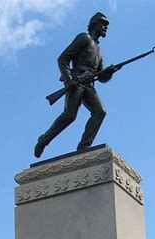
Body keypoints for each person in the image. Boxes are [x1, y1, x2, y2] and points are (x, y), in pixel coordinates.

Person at [34, 12, 116, 159]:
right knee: (69, 115)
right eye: (102, 24)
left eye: (106, 25)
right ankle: (44, 139)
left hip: (89, 85)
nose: (105, 27)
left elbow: (101, 76)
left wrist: (109, 72)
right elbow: (63, 59)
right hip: (77, 81)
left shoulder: (99, 51)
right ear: (93, 24)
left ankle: (84, 146)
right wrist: (69, 79)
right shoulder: (84, 38)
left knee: (100, 111)